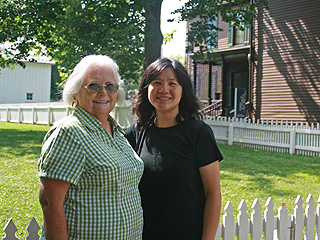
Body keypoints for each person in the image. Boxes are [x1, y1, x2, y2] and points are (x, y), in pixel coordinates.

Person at [38, 55, 144, 240]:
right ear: (76, 92)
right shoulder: (69, 133)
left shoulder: (117, 132)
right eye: (94, 86)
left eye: (110, 86)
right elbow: (50, 203)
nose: (103, 92)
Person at [125, 58, 223, 240]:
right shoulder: (136, 133)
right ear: (147, 89)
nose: (164, 89)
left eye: (172, 83)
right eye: (156, 83)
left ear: (183, 90)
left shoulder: (198, 133)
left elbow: (213, 193)